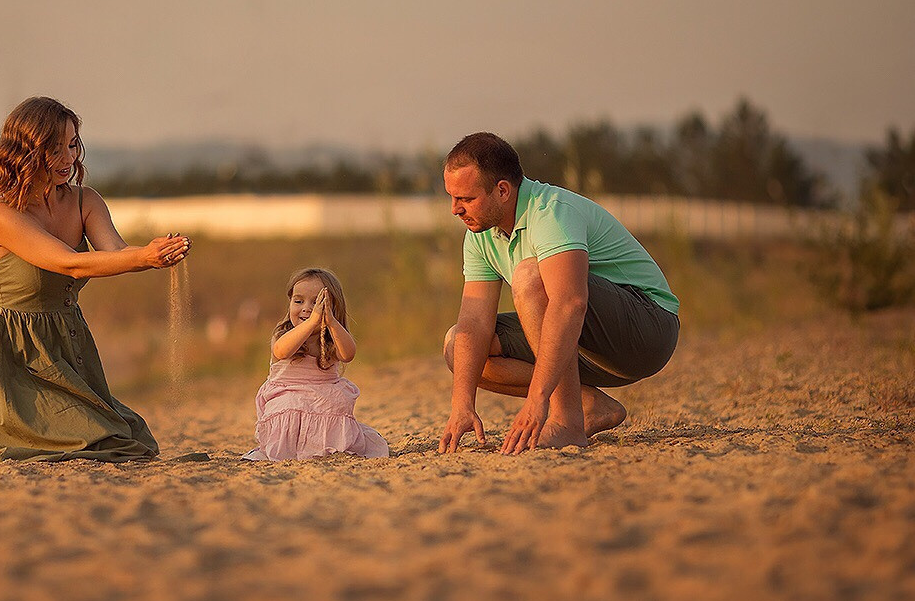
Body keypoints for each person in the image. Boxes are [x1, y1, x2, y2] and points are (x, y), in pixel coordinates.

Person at [0, 96, 191, 462]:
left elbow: (114, 253)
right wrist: (144, 255)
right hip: (17, 358)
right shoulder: (2, 215)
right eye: (54, 148)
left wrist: (154, 255)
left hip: (70, 344)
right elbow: (71, 264)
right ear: (27, 151)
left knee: (133, 437)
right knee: (99, 440)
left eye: (73, 144)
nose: (68, 158)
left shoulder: (86, 201)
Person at [438, 132, 679, 456]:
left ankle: (567, 421)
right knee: (458, 347)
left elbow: (570, 303)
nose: (455, 209)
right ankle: (589, 404)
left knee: (530, 277)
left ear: (503, 191)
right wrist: (461, 405)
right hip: (583, 343)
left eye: (466, 198)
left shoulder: (550, 212)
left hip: (647, 329)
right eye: (451, 198)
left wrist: (538, 400)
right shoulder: (480, 234)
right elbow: (473, 323)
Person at [243, 268, 388, 461]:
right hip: (288, 394)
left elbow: (348, 354)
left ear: (333, 307)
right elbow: (281, 351)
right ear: (289, 303)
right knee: (290, 403)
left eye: (316, 303)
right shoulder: (283, 333)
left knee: (338, 401)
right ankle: (285, 447)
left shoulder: (332, 338)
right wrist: (311, 323)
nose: (306, 308)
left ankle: (327, 445)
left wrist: (332, 323)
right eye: (298, 301)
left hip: (323, 396)